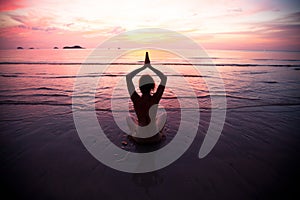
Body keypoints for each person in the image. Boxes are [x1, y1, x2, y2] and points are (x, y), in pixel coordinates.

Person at [126, 52, 167, 144]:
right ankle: (159, 132)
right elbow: (164, 78)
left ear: (140, 87)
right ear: (153, 87)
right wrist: (150, 67)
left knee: (128, 117)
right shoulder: (155, 98)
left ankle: (134, 133)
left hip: (139, 139)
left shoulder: (136, 99)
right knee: (163, 116)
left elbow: (128, 77)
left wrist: (143, 67)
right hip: (155, 138)